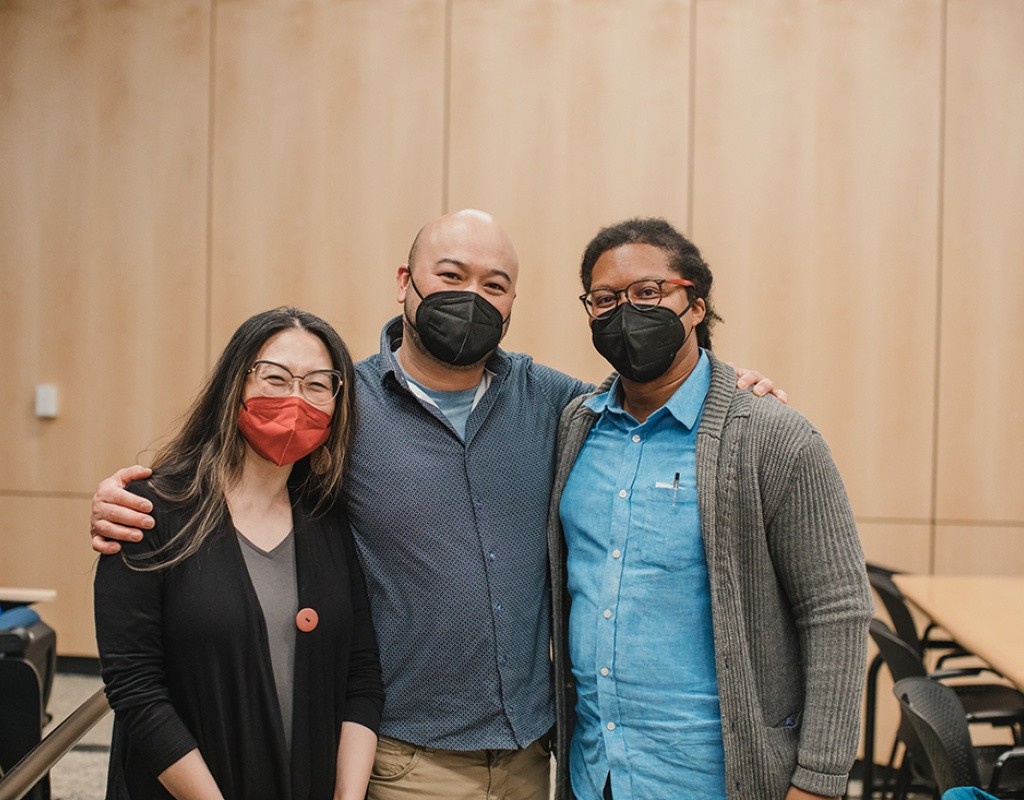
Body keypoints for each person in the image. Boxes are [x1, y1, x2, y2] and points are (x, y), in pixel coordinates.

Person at [90, 210, 783, 800]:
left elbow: (647, 403)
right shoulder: (341, 408)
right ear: (405, 282)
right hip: (399, 761)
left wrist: (731, 388)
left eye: (495, 284)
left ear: (515, 302)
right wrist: (124, 498)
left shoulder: (555, 404)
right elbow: (243, 478)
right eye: (450, 276)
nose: (472, 296)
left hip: (530, 759)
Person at [547, 218, 873, 800]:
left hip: (717, 781)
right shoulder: (577, 428)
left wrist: (819, 781)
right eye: (605, 300)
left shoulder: (773, 437)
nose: (626, 311)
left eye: (649, 292)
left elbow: (836, 611)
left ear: (696, 305)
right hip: (598, 775)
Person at [93, 307, 383, 800]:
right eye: (275, 378)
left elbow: (362, 675)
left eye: (318, 385)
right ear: (234, 386)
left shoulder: (328, 521)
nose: (296, 400)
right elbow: (136, 690)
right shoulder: (150, 513)